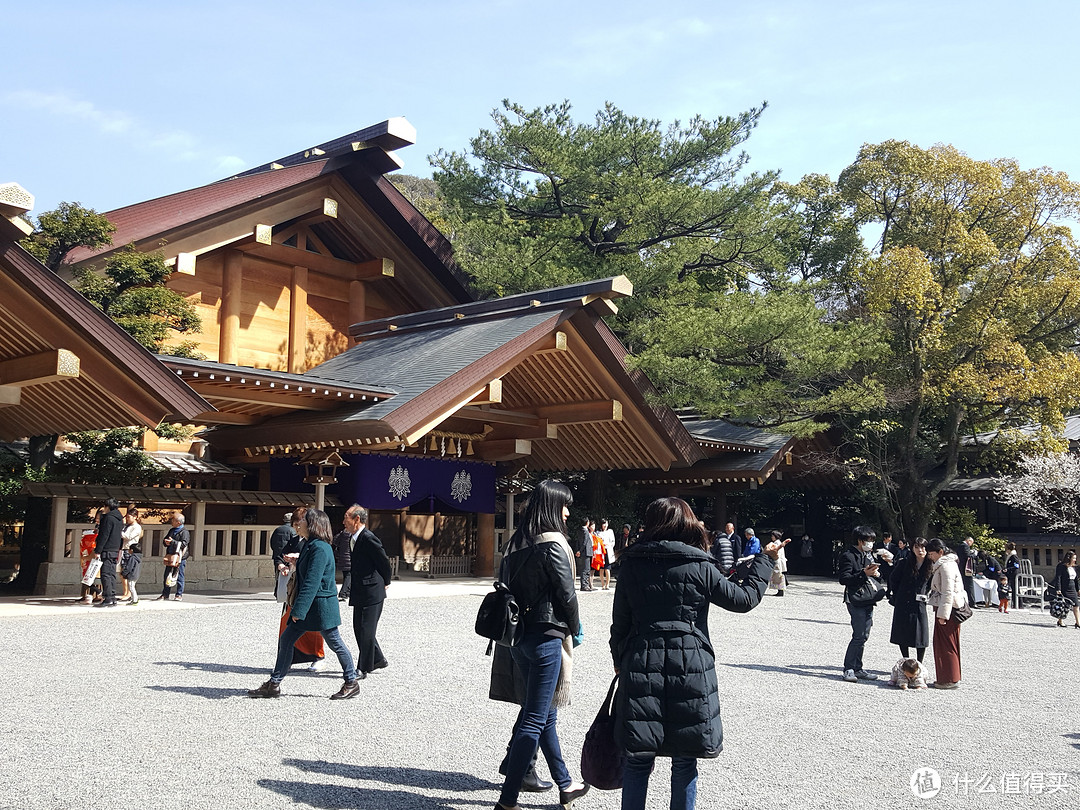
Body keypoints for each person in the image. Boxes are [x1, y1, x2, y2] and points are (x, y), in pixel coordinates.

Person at [610, 497, 777, 810]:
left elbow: (619, 624)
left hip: (641, 659)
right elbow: (742, 599)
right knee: (685, 762)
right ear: (687, 523)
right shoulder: (700, 565)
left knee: (637, 761)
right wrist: (765, 561)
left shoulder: (632, 564)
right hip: (691, 664)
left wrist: (620, 662)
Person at [493, 479, 588, 810]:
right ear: (552, 506)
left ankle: (565, 784)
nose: (566, 512)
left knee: (544, 715)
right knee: (535, 718)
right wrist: (575, 628)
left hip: (519, 639)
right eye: (564, 505)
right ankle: (507, 800)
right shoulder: (553, 543)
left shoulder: (516, 542)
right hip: (547, 637)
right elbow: (566, 593)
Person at [248, 509, 360, 700]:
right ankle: (274, 683)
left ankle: (351, 681)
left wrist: (298, 610)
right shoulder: (312, 545)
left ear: (313, 525)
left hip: (320, 607)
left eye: (303, 522)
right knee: (287, 639)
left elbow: (312, 582)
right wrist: (297, 560)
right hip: (312, 606)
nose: (299, 524)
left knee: (335, 643)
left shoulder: (319, 548)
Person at [348, 505, 393, 675]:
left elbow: (383, 562)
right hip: (360, 589)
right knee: (358, 628)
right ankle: (378, 659)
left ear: (356, 519)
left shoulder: (368, 538)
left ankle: (363, 667)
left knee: (367, 630)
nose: (344, 521)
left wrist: (386, 581)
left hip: (373, 589)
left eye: (346, 517)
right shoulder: (352, 538)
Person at [838, 526, 885, 682]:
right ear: (860, 540)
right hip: (855, 598)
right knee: (858, 635)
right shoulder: (848, 556)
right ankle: (849, 668)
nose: (871, 543)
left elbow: (874, 577)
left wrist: (876, 574)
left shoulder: (868, 556)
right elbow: (843, 579)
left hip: (868, 598)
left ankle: (858, 667)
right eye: (869, 540)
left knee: (864, 635)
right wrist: (863, 573)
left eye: (872, 540)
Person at [926, 538, 967, 689]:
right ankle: (950, 676)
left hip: (948, 609)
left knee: (946, 644)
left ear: (940, 552)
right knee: (948, 643)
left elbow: (948, 592)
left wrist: (943, 614)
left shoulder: (946, 566)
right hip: (950, 607)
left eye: (932, 554)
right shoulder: (948, 564)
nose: (930, 557)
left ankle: (948, 678)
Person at [888, 537, 931, 662]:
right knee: (902, 631)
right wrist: (896, 595)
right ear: (912, 549)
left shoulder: (931, 565)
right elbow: (893, 579)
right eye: (916, 547)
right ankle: (905, 660)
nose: (920, 550)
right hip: (903, 600)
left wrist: (928, 594)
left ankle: (920, 662)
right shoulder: (904, 562)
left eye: (922, 547)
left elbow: (933, 584)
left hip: (920, 601)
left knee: (921, 632)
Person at [92, 498, 124, 608]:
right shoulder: (120, 518)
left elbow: (104, 535)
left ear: (107, 506)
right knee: (111, 574)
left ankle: (108, 598)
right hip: (115, 548)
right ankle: (112, 597)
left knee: (105, 574)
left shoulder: (108, 518)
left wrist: (98, 550)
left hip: (107, 548)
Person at [156, 512, 190, 601]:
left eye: (173, 520)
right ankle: (165, 594)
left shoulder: (184, 532)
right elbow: (166, 539)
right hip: (170, 555)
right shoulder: (172, 530)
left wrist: (173, 542)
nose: (172, 521)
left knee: (179, 575)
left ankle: (179, 594)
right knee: (167, 575)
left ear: (179, 522)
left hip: (180, 557)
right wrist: (166, 542)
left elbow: (184, 544)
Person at [1050, 551, 1079, 629]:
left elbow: (1076, 579)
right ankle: (1060, 620)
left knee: (1076, 605)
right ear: (1069, 558)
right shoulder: (1061, 566)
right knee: (1064, 605)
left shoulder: (1073, 567)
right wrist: (1058, 588)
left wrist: (1078, 589)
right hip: (1064, 587)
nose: (1075, 560)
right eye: (1074, 558)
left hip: (1072, 587)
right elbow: (1058, 578)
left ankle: (1078, 622)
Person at [120, 508, 143, 602]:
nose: (127, 519)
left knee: (128, 571)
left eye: (129, 517)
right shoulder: (127, 526)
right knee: (123, 571)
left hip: (131, 550)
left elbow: (128, 537)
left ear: (135, 517)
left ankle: (129, 593)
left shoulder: (137, 527)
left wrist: (119, 531)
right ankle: (125, 591)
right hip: (124, 549)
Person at [332, 516, 353, 602]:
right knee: (349, 576)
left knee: (346, 575)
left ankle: (347, 592)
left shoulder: (342, 533)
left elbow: (335, 541)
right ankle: (343, 593)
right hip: (350, 558)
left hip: (342, 558)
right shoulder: (352, 535)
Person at [955, 536, 978, 609]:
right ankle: (972, 602)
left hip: (961, 568)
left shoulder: (959, 546)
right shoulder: (965, 546)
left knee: (964, 585)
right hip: (966, 569)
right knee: (969, 586)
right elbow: (968, 556)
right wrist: (974, 554)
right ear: (969, 541)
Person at [768, 530, 789, 596]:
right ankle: (780, 590)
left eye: (772, 536)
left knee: (779, 576)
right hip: (780, 561)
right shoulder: (778, 543)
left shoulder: (777, 543)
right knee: (779, 576)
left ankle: (780, 591)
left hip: (778, 561)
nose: (772, 537)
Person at [597, 519, 616, 590]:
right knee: (601, 569)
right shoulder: (598, 532)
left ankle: (607, 584)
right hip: (601, 551)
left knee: (607, 569)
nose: (605, 525)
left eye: (606, 523)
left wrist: (609, 545)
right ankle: (602, 584)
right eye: (603, 524)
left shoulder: (610, 532)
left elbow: (613, 542)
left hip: (608, 550)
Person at [577, 517, 594, 592]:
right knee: (586, 569)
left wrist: (578, 550)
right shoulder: (586, 531)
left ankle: (584, 584)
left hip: (583, 552)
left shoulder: (580, 530)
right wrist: (580, 550)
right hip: (586, 551)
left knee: (583, 568)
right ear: (587, 523)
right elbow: (585, 542)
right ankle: (584, 585)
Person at [1004, 542, 1021, 610]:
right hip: (1012, 575)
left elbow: (1016, 566)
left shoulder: (1013, 556)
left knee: (1016, 590)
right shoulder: (1010, 556)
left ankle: (1019, 604)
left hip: (1015, 575)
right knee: (1014, 590)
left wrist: (1007, 569)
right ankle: (1015, 604)